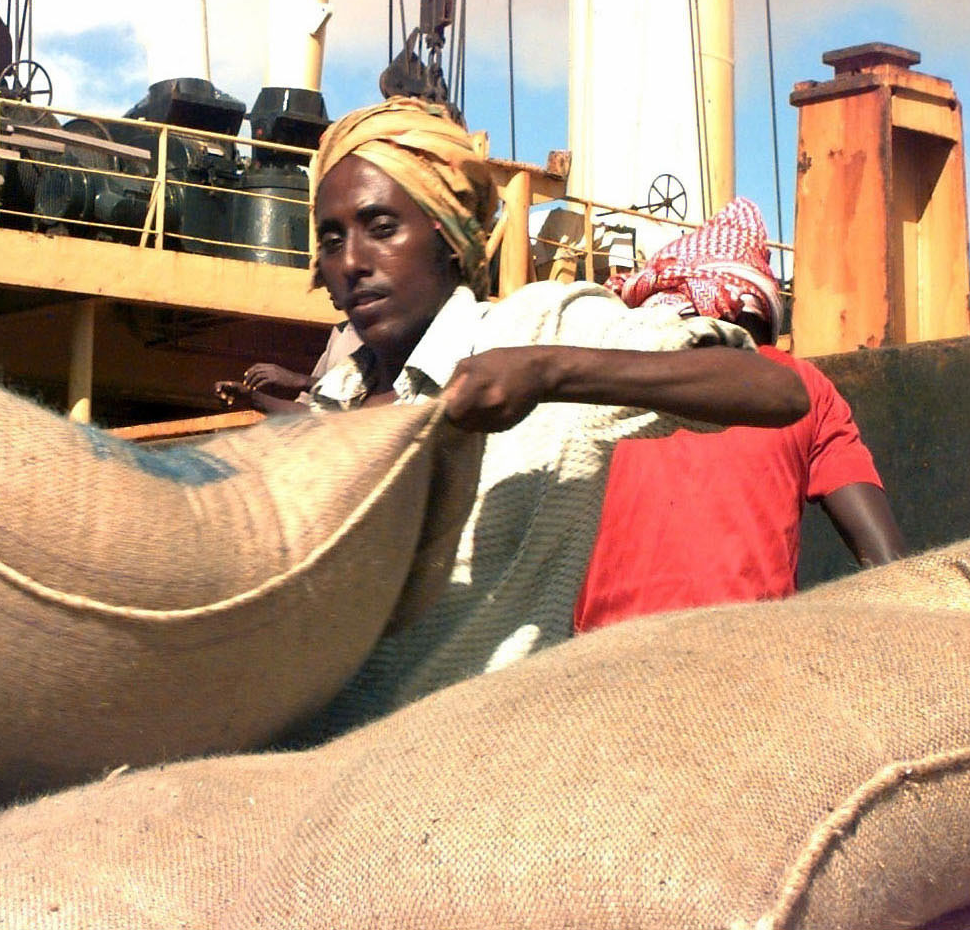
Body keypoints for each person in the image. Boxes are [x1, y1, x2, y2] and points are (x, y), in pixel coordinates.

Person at [294, 97, 810, 738]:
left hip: (479, 774)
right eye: (331, 238)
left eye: (381, 226)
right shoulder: (330, 401)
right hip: (319, 782)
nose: (351, 261)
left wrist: (550, 374)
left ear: (451, 238)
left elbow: (771, 390)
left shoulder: (535, 327)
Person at [576, 198, 906, 632]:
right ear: (760, 310)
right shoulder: (801, 384)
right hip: (746, 663)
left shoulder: (602, 376)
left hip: (594, 667)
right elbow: (887, 562)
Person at [213, 320, 361, 415]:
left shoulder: (378, 338)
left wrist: (300, 380)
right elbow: (307, 412)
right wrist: (251, 398)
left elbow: (355, 398)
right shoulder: (340, 331)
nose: (327, 287)